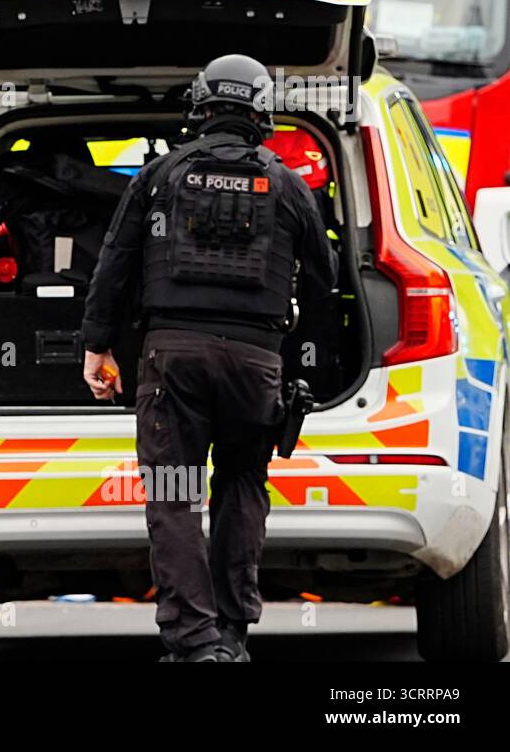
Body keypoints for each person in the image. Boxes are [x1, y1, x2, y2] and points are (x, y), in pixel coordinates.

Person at [80, 53, 339, 663]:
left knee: (174, 494)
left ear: (201, 106)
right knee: (243, 484)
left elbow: (112, 268)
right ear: (261, 111)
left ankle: (194, 641)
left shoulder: (160, 175)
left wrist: (97, 346)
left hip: (172, 363)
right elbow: (328, 282)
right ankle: (231, 633)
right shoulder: (288, 184)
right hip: (256, 364)